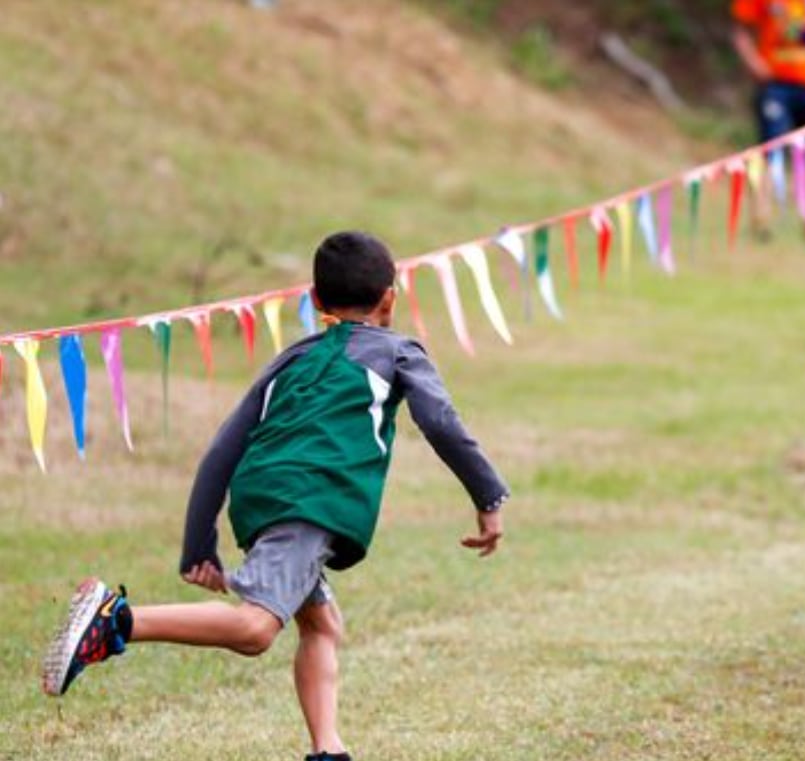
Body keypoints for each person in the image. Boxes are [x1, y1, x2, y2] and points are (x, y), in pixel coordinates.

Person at [41, 231, 510, 761]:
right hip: (310, 503)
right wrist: (488, 497)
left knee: (322, 624)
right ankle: (118, 619)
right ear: (390, 298)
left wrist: (198, 545)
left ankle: (328, 750)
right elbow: (441, 422)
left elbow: (222, 448)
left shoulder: (291, 359)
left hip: (261, 495)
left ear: (314, 298)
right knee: (255, 628)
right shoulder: (399, 352)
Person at [730, 0, 805, 241]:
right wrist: (754, 63)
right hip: (775, 85)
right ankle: (761, 219)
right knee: (769, 150)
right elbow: (740, 30)